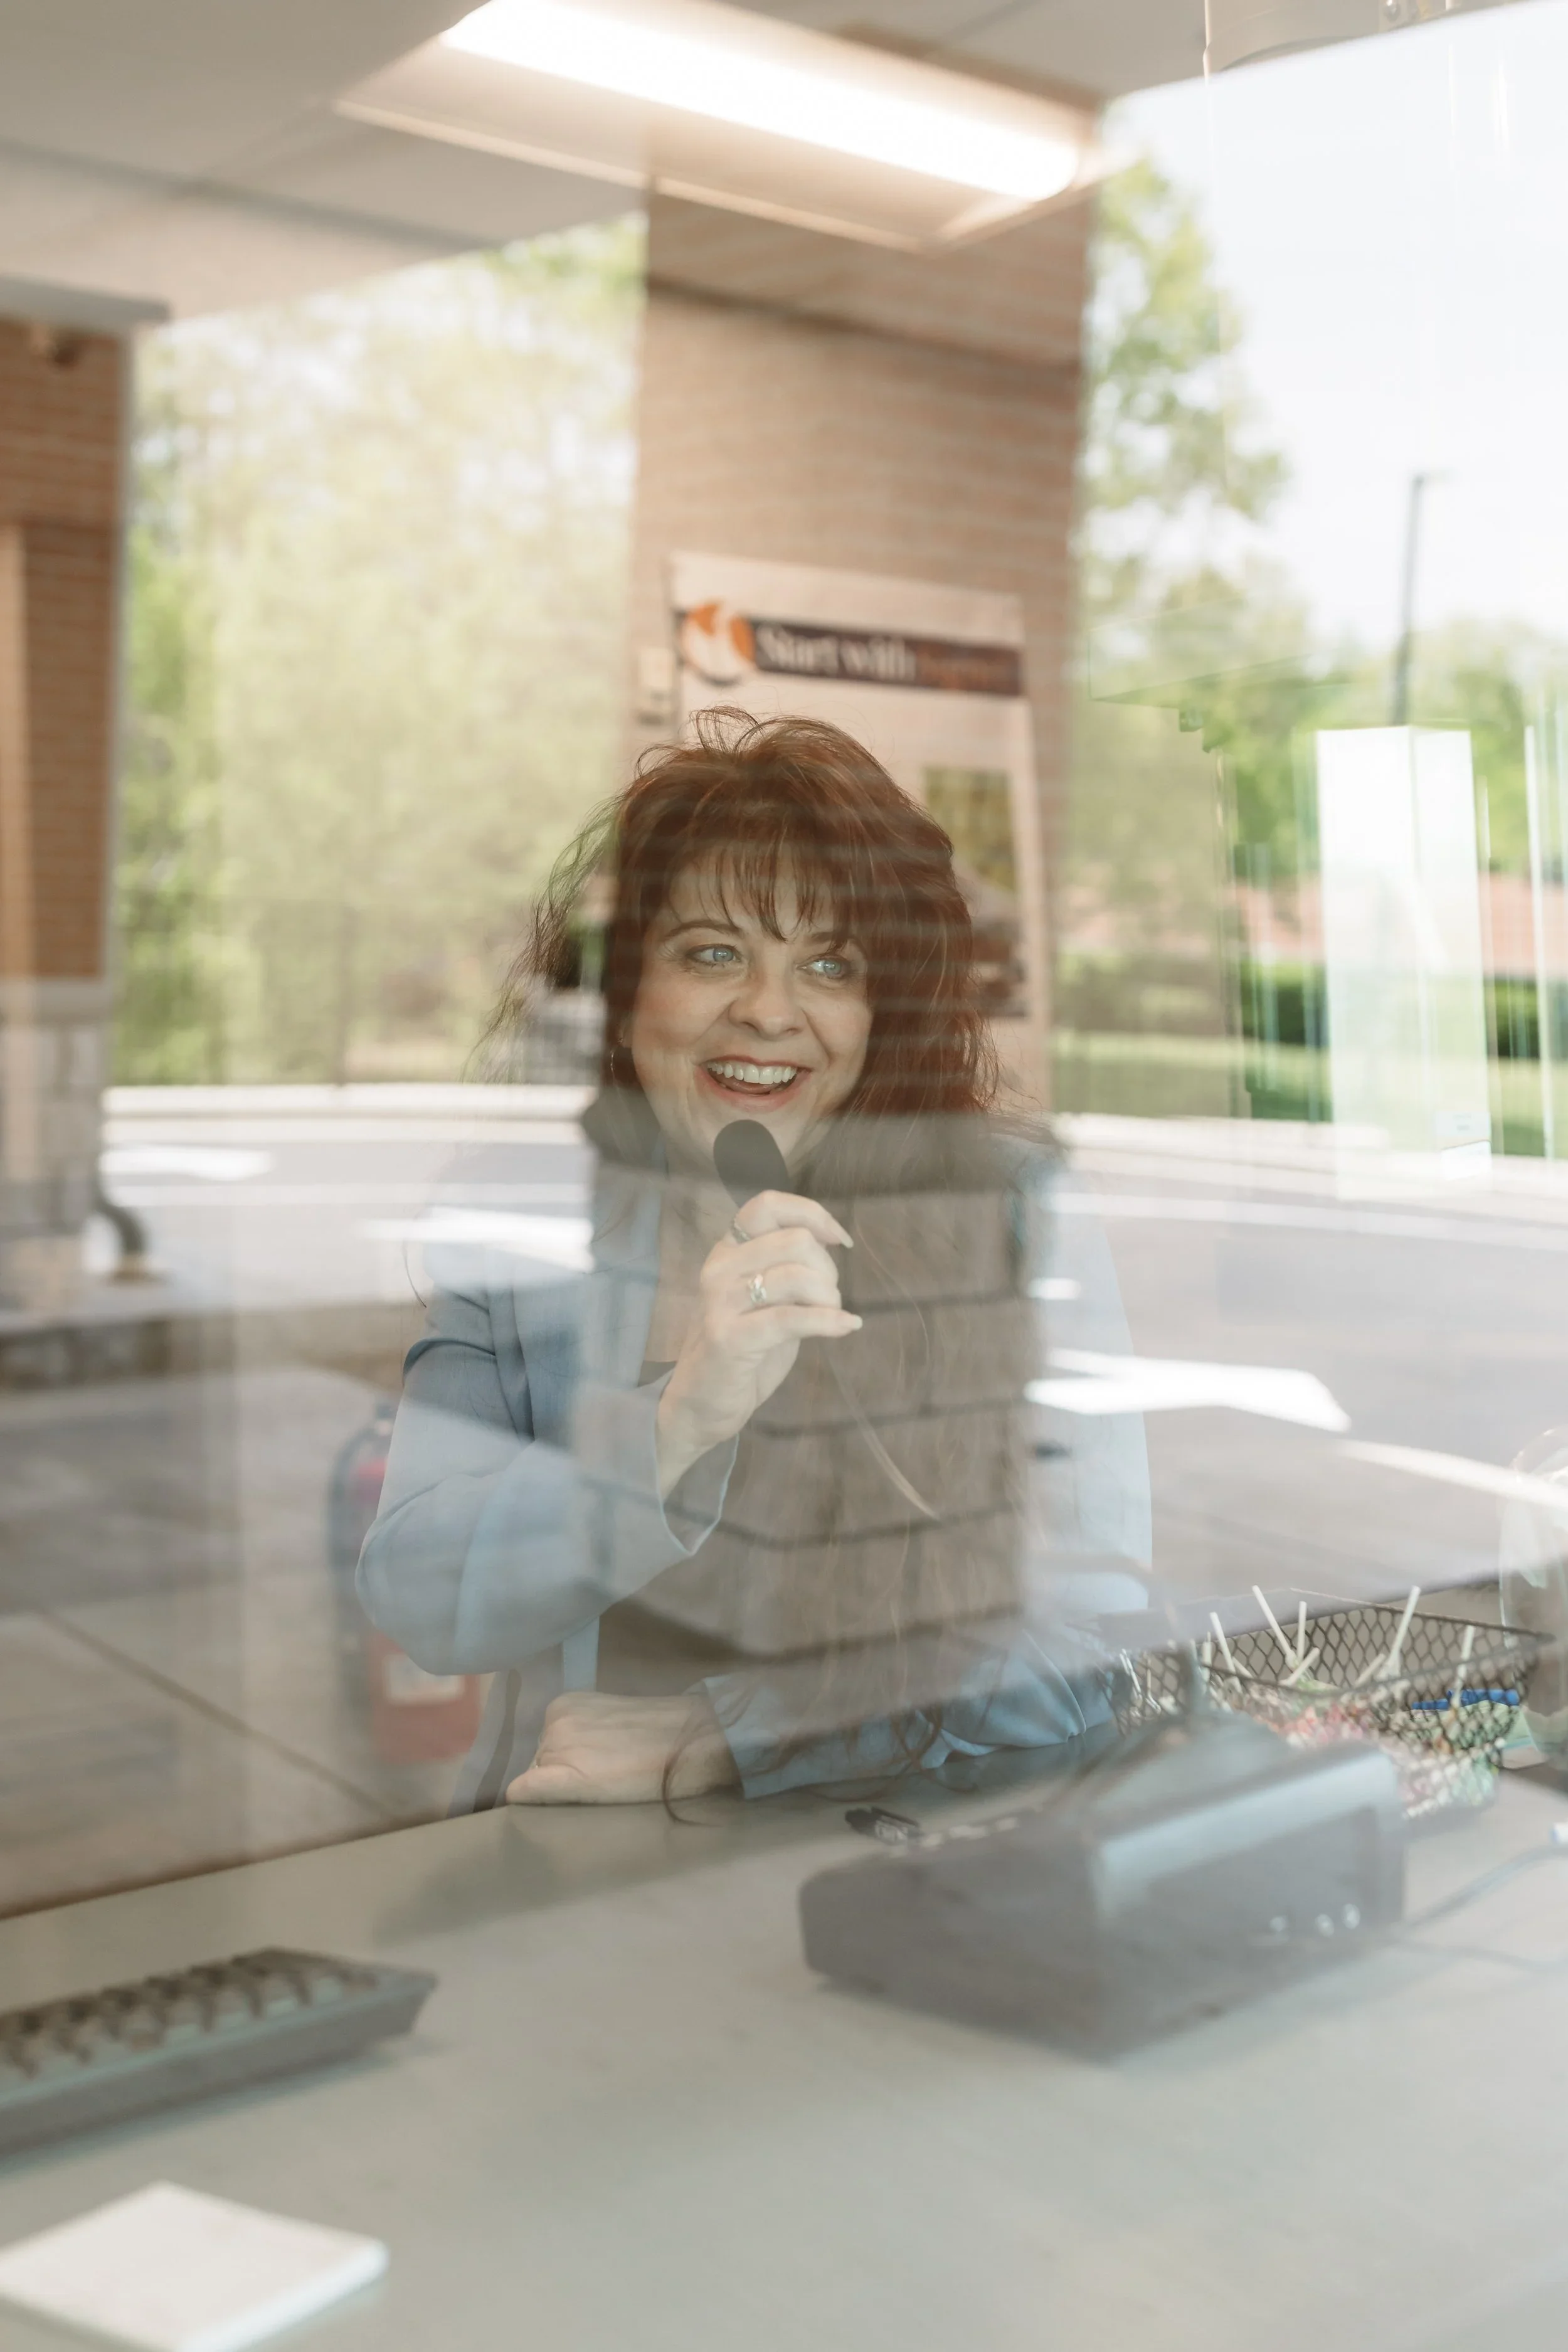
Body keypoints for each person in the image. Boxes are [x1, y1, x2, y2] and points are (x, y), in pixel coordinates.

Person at [358, 710, 1148, 1809]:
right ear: (625, 992)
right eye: (713, 952)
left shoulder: (1005, 1210)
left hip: (896, 1861)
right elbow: (417, 1596)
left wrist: (736, 1734)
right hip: (567, 1848)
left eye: (831, 962)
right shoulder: (523, 1210)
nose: (771, 1010)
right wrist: (679, 1417)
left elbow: (1096, 1641)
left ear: (883, 1015)